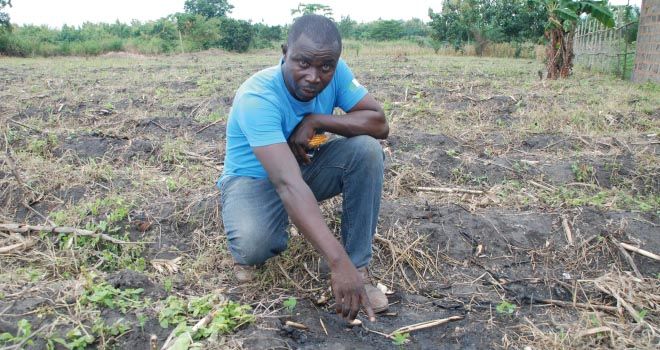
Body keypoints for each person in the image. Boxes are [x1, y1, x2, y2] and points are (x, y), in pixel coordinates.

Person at [217, 14, 389, 322]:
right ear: (285, 53)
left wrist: (317, 120)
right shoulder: (258, 97)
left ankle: (359, 268)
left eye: (326, 66)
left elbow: (378, 122)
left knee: (366, 151)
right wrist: (337, 261)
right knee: (255, 245)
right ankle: (262, 219)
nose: (314, 76)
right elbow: (286, 184)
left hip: (303, 167)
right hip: (254, 180)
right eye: (303, 63)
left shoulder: (335, 74)